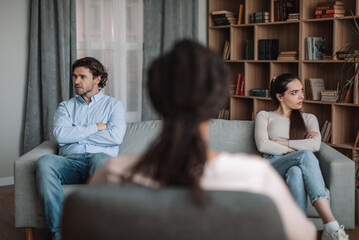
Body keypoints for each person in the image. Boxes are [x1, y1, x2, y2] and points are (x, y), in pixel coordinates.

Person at [89, 40, 316, 240]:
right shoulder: (256, 176)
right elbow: (304, 235)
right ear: (217, 103)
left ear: (155, 99)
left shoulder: (112, 174)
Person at [36, 57, 127, 240]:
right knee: (45, 162)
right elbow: (61, 136)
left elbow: (115, 137)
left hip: (99, 163)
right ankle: (59, 232)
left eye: (82, 77)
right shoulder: (66, 107)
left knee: (100, 159)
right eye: (74, 76)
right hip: (70, 164)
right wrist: (96, 127)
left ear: (97, 79)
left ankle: (95, 230)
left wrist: (75, 134)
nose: (76, 81)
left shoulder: (114, 106)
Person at [254, 73, 349, 240]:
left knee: (296, 172)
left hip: (297, 165)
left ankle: (297, 233)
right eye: (294, 92)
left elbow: (315, 145)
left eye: (302, 91)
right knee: (304, 155)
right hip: (272, 166)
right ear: (280, 97)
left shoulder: (309, 118)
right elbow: (263, 144)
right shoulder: (264, 115)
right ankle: (330, 224)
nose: (301, 96)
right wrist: (297, 147)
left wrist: (280, 143)